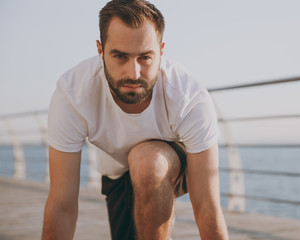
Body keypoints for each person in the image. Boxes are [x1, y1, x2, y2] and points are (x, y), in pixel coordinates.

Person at [41, 0, 228, 239]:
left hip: (174, 161)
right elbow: (62, 205)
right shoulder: (73, 95)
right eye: (120, 56)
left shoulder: (189, 97)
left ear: (161, 51)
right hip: (117, 174)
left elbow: (207, 207)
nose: (133, 73)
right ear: (100, 51)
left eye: (145, 58)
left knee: (147, 162)